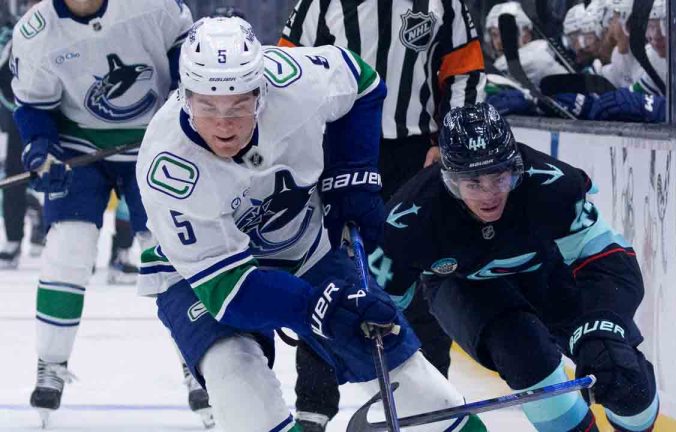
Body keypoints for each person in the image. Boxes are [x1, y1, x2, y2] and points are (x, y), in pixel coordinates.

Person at [137, 16, 487, 432]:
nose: (223, 125)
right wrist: (322, 309)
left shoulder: (295, 81)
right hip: (203, 279)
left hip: (305, 248)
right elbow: (231, 292)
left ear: (261, 91)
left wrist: (351, 181)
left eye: (238, 106)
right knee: (238, 380)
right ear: (185, 96)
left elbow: (364, 82)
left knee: (421, 390)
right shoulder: (169, 167)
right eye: (207, 107)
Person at [375, 102, 660, 432]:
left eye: (500, 176)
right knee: (524, 353)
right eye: (473, 183)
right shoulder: (408, 220)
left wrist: (602, 326)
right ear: (450, 181)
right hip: (463, 286)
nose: (489, 195)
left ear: (516, 166)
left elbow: (611, 260)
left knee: (624, 378)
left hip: (547, 273)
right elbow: (377, 310)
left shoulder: (554, 184)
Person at [278, 0, 485, 428]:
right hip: (337, 151)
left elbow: (464, 71)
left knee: (424, 277)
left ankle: (432, 404)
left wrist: (451, 142)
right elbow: (287, 69)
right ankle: (313, 408)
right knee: (325, 273)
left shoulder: (444, 4)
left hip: (417, 155)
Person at [8, 0, 208, 426]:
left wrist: (192, 122)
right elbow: (34, 107)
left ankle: (199, 359)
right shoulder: (36, 31)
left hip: (156, 140)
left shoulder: (151, 6)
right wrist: (40, 149)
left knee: (168, 252)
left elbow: (188, 60)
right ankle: (51, 363)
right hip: (78, 145)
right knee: (68, 246)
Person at [0, 0, 45, 269]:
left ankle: (53, 231)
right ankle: (13, 239)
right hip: (21, 115)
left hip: (60, 115)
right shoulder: (13, 34)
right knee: (16, 174)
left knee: (61, 173)